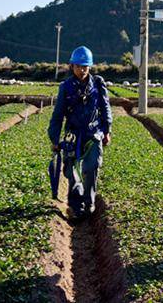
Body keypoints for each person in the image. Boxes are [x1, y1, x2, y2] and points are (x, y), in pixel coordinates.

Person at [48, 46, 112, 221]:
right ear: (72, 66)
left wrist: (107, 131)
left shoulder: (98, 84)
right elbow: (58, 114)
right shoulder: (66, 87)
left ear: (90, 67)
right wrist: (54, 138)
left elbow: (105, 109)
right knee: (72, 171)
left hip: (93, 133)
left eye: (85, 66)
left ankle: (89, 203)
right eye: (78, 66)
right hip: (73, 135)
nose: (82, 70)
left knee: (92, 168)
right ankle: (76, 207)